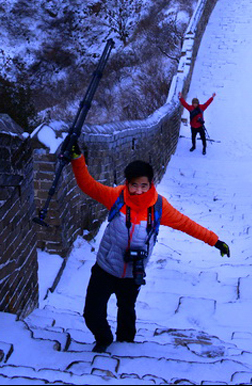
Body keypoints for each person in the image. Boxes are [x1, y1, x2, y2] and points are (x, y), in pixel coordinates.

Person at [70, 150, 230, 352]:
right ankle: (104, 339)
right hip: (105, 267)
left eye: (143, 185)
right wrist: (77, 159)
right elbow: (88, 185)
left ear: (151, 184)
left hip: (132, 272)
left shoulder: (159, 207)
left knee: (127, 313)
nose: (138, 190)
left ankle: (125, 348)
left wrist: (215, 241)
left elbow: (186, 224)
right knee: (92, 313)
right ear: (127, 183)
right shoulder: (115, 197)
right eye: (134, 185)